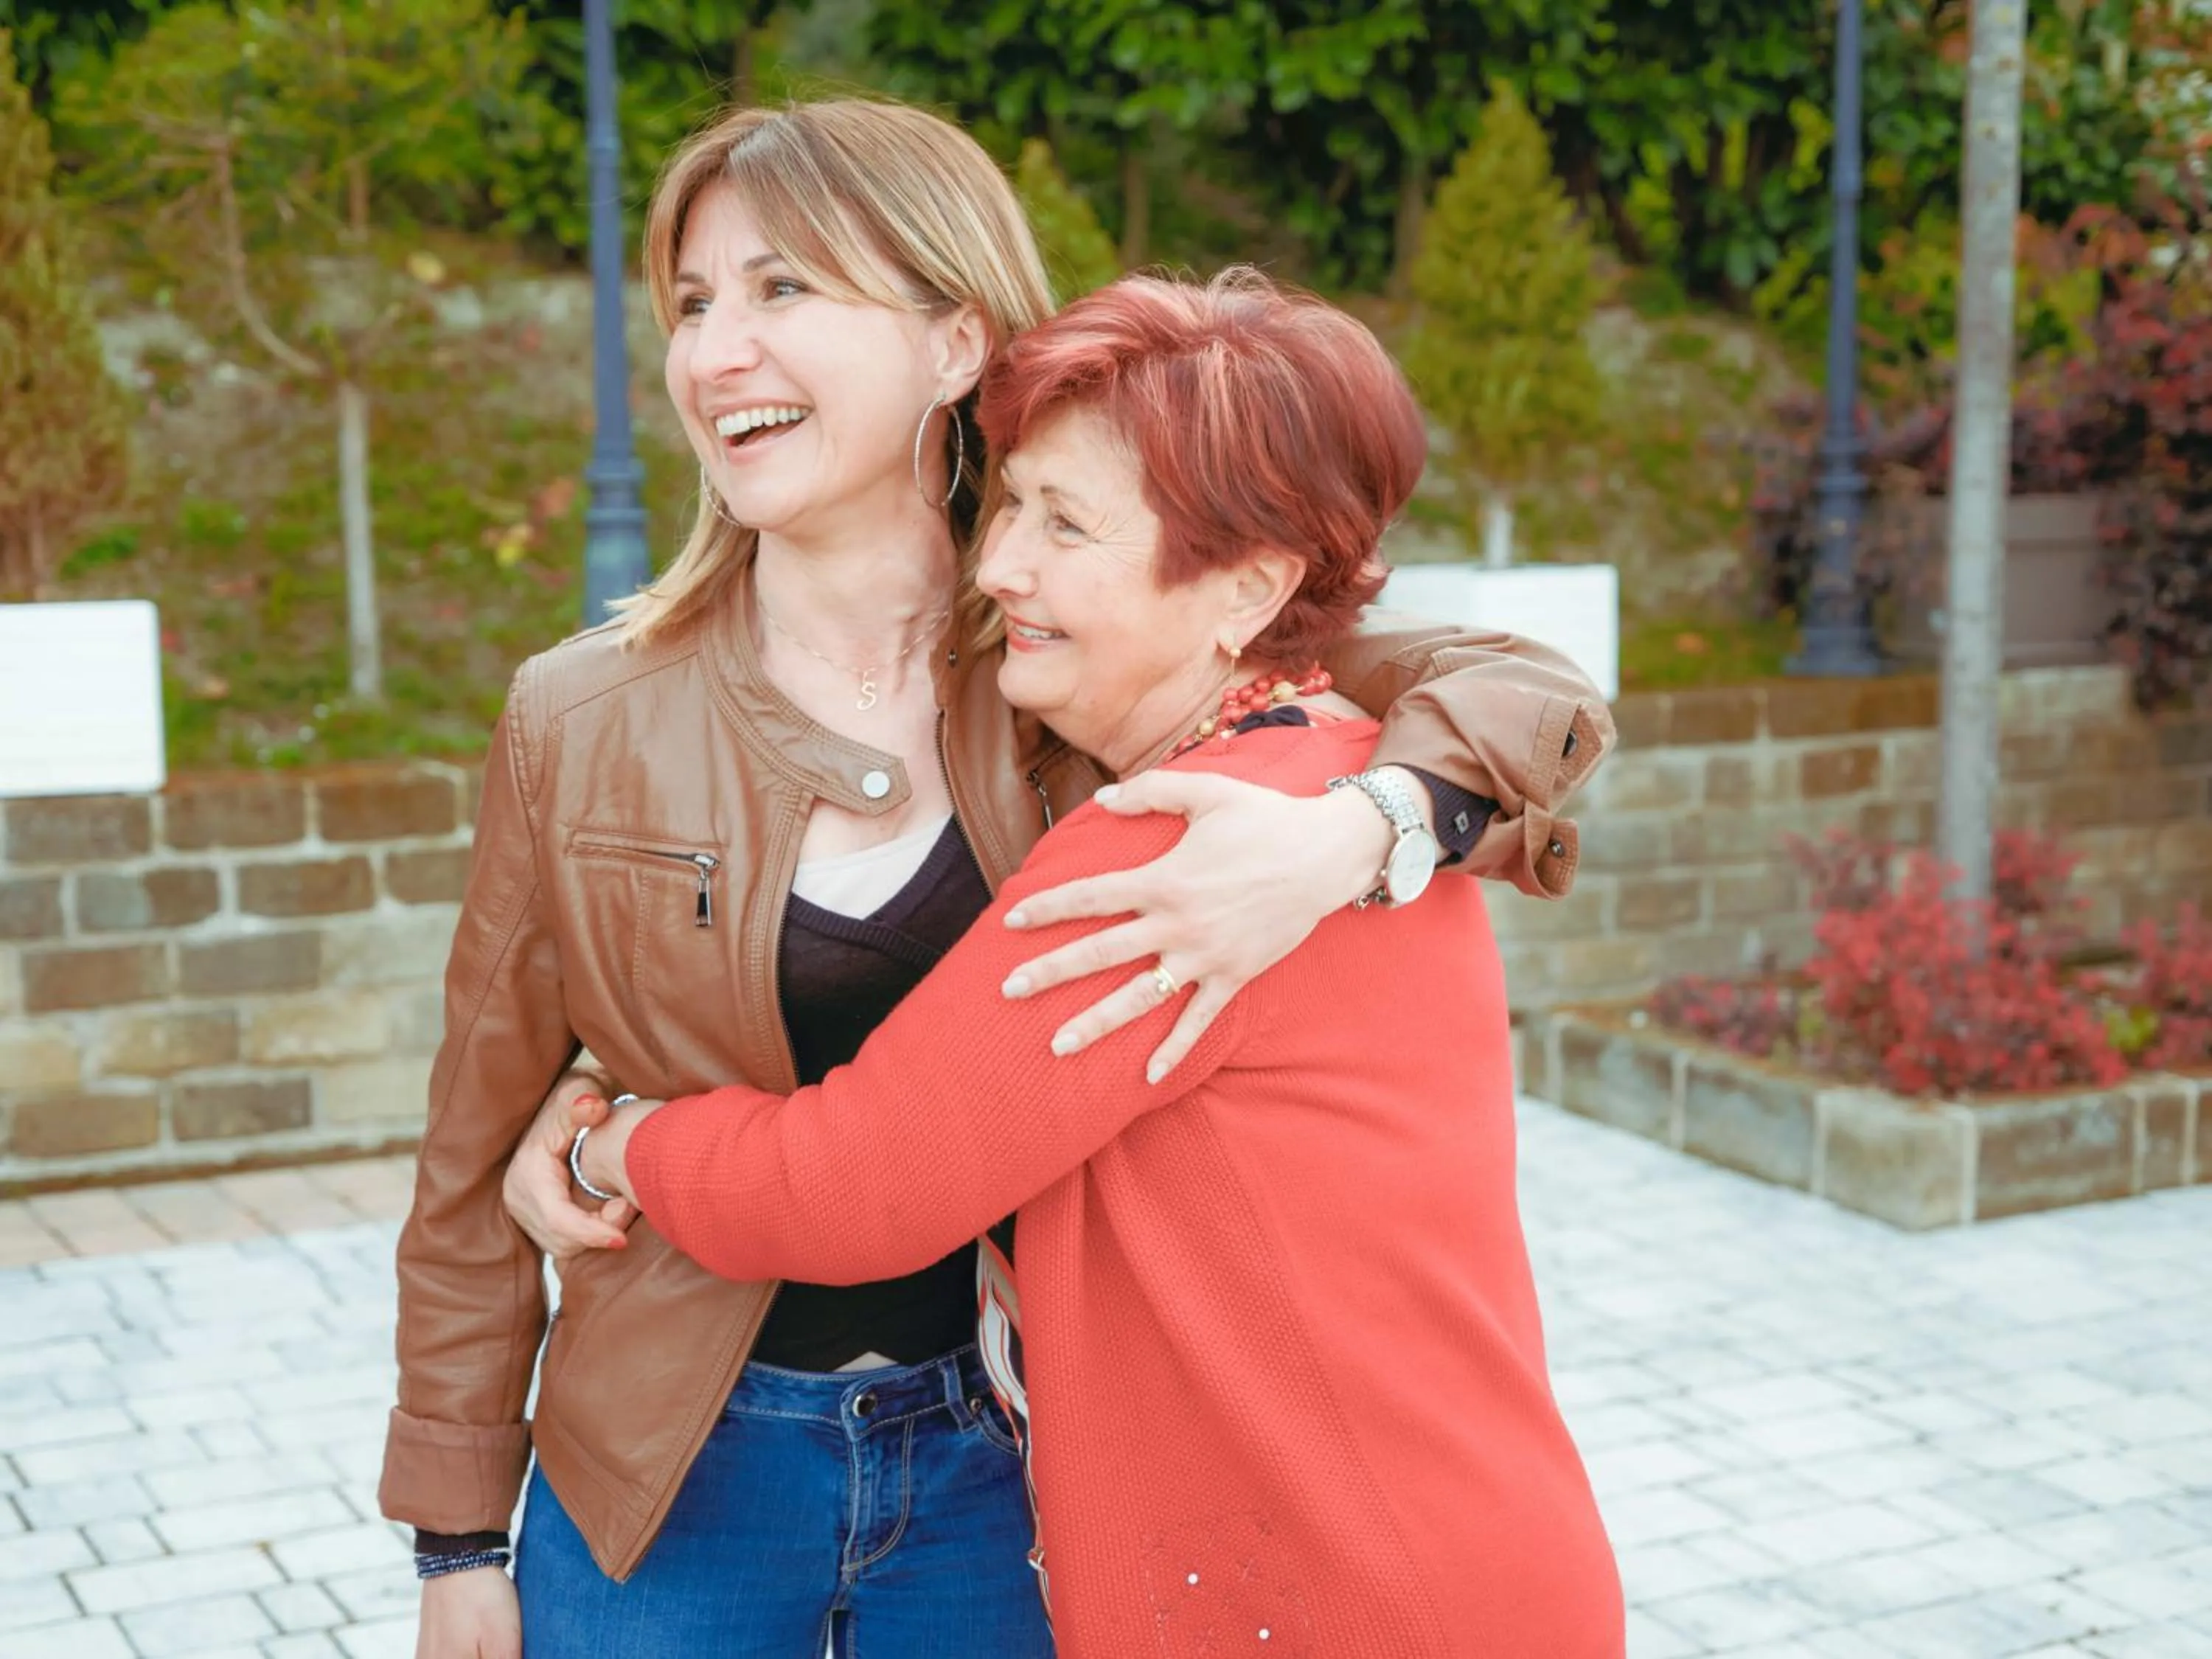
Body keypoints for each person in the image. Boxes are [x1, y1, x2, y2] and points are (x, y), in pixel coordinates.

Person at [386, 100, 1613, 1659]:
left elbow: (1508, 681)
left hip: (1004, 1469)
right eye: (693, 305)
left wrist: (1361, 827)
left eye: (784, 290)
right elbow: (467, 1159)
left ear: (956, 339)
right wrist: (456, 1543)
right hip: (666, 1471)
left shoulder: (1082, 652)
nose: (716, 352)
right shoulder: (583, 716)